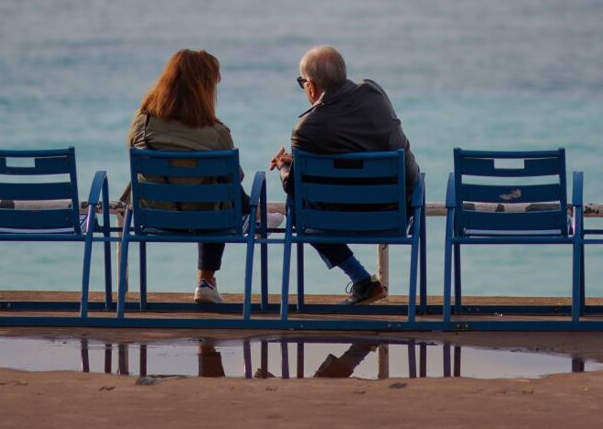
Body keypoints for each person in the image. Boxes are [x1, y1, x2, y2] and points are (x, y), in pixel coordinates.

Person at [269, 44, 420, 305]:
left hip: (338, 219)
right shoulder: (374, 91)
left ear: (312, 86)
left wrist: (284, 166)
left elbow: (296, 186)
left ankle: (361, 280)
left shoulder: (307, 128)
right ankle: (370, 287)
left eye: (301, 82)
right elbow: (361, 152)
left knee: (300, 209)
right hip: (397, 210)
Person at [124, 49, 246, 305]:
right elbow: (233, 181)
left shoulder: (141, 122)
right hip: (206, 219)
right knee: (218, 194)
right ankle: (206, 281)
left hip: (153, 215)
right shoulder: (217, 133)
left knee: (212, 191)